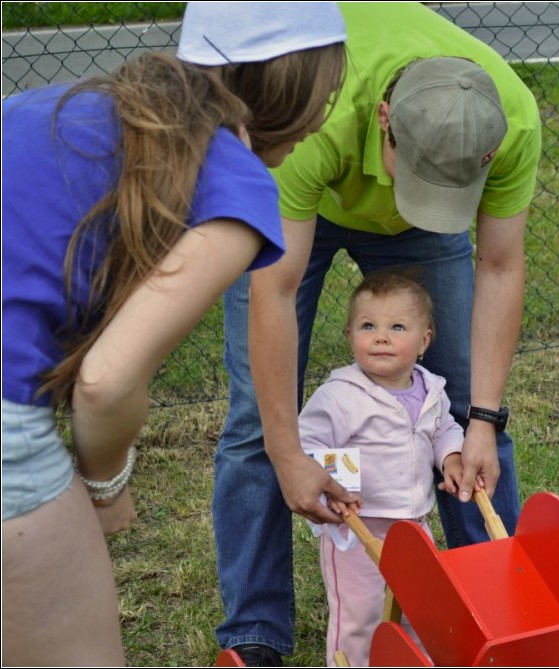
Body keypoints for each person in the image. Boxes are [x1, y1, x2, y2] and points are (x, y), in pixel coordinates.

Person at [0, 3, 350, 665]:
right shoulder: (237, 185)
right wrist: (106, 486)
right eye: (326, 95)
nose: (325, 116)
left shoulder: (58, 103)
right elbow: (106, 382)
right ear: (294, 88)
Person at [213, 3, 542, 664]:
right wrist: (289, 453)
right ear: (386, 122)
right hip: (301, 192)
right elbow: (274, 289)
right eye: (411, 178)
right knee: (257, 424)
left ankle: (494, 617)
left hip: (411, 219)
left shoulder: (509, 119)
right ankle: (253, 635)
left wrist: (481, 418)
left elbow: (500, 265)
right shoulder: (314, 113)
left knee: (468, 419)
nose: (409, 199)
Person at [298, 270, 465, 667]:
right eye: (368, 325)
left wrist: (452, 457)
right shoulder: (341, 395)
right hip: (357, 528)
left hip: (414, 526)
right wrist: (336, 484)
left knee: (416, 607)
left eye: (397, 327)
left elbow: (444, 430)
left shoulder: (431, 391)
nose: (381, 336)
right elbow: (305, 443)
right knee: (360, 614)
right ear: (350, 335)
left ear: (424, 341)